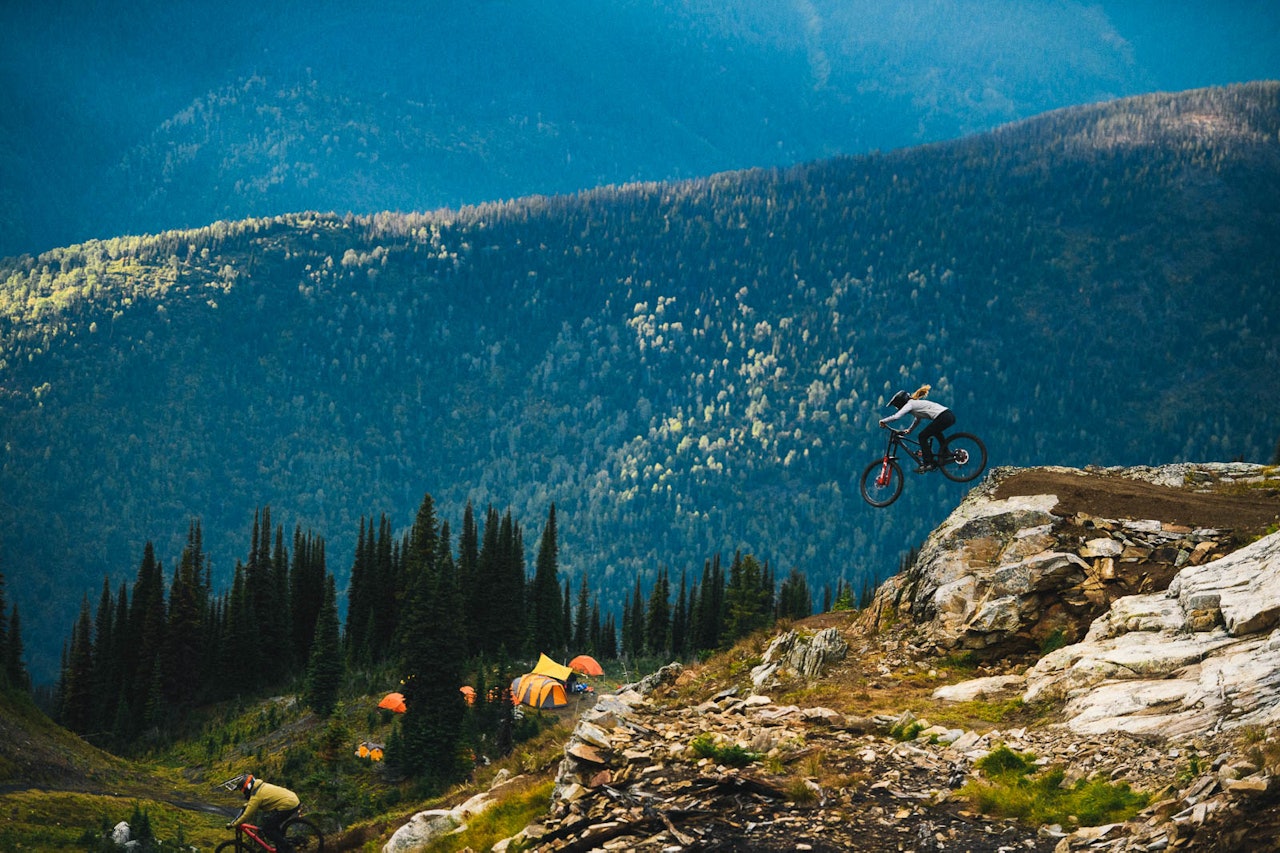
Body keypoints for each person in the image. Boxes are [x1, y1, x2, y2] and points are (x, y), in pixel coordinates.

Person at [878, 384, 956, 472]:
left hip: (944, 416)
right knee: (935, 431)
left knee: (922, 436)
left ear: (901, 402)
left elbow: (896, 417)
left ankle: (929, 462)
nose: (897, 408)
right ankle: (946, 452)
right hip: (948, 415)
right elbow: (917, 419)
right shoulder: (914, 404)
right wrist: (910, 429)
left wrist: (883, 421)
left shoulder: (910, 404)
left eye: (897, 406)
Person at [225, 773, 301, 852]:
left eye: (242, 790)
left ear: (247, 788)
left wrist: (234, 824)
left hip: (288, 805)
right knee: (272, 824)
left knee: (267, 829)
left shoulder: (256, 797)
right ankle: (280, 846)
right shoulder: (261, 786)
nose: (243, 793)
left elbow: (246, 815)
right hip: (293, 799)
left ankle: (287, 848)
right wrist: (247, 805)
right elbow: (256, 801)